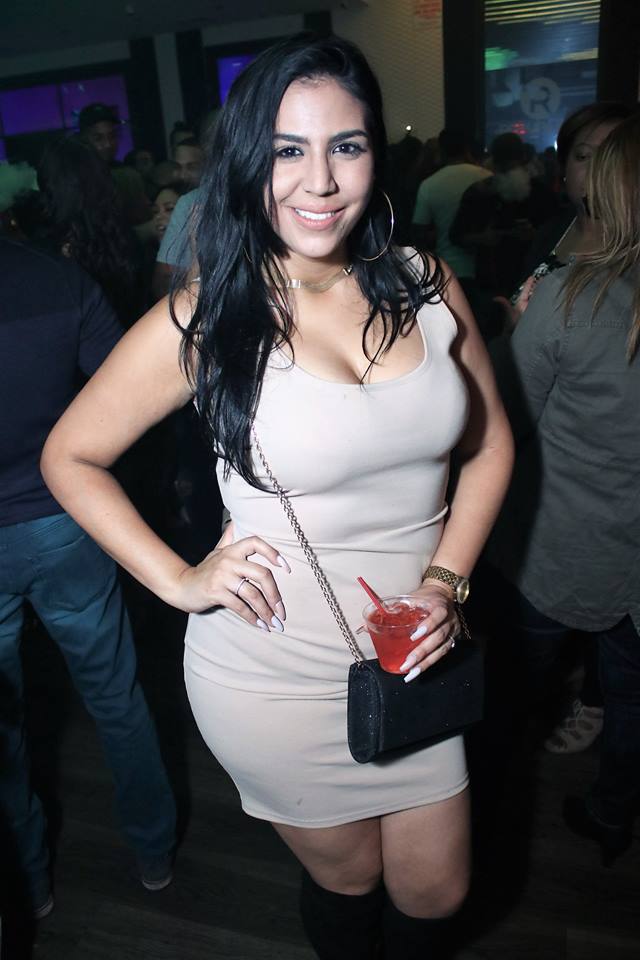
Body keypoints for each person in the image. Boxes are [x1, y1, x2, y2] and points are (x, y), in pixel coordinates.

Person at [42, 35, 513, 959]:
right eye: (288, 150)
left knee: (437, 890)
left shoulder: (426, 284)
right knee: (351, 880)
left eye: (347, 145)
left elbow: (491, 447)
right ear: (248, 162)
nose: (320, 181)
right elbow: (71, 455)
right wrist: (179, 580)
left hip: (414, 656)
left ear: (376, 153)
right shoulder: (209, 314)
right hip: (274, 671)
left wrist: (447, 582)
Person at [0, 237, 176, 922]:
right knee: (116, 697)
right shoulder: (57, 277)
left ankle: (30, 883)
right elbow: (131, 394)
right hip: (64, 520)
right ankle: (155, 853)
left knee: (2, 727)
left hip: (58, 516)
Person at [487, 113, 640, 866]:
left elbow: (505, 421)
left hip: (561, 545)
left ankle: (492, 827)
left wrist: (509, 333)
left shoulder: (571, 297)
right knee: (632, 698)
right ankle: (612, 815)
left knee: (514, 694)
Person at [450, 131, 558, 300]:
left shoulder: (541, 194)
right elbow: (457, 236)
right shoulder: (480, 193)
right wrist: (483, 238)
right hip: (502, 280)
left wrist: (535, 235)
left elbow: (457, 235)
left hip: (518, 280)